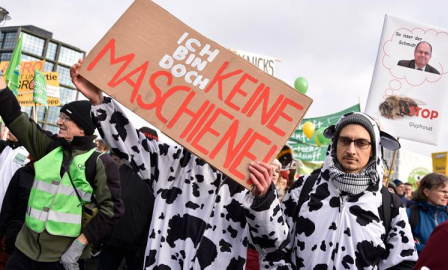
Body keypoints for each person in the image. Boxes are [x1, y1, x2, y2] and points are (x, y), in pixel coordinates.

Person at [71, 60, 287, 269]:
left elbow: (272, 242)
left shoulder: (253, 182)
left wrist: (263, 200)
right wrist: (99, 102)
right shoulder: (174, 161)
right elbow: (130, 144)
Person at [260, 112, 417, 269]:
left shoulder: (389, 204)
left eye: (361, 143)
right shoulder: (304, 188)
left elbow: (403, 262)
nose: (351, 150)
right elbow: (275, 245)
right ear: (335, 144)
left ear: (373, 149)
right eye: (344, 140)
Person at [0, 76, 124, 270]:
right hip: (22, 254)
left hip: (60, 260)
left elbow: (112, 211)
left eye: (66, 118)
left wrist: (79, 245)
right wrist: (2, 88)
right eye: (60, 116)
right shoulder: (49, 147)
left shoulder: (100, 163)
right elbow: (17, 120)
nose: (58, 122)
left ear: (82, 127)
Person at [406, 173, 448, 255]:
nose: (447, 196)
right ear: (426, 192)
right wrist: (432, 250)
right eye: (443, 191)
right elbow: (402, 244)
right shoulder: (409, 214)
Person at [0, 130, 30, 210]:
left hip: (9, 204)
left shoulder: (27, 154)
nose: (8, 132)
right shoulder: (6, 149)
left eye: (12, 130)